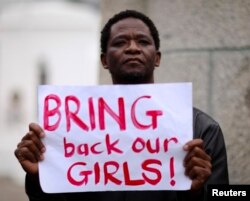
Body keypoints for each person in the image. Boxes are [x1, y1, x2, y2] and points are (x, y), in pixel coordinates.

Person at [15, 10, 229, 201]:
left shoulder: (202, 129)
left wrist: (199, 191)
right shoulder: (67, 130)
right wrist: (38, 179)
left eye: (143, 42)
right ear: (104, 60)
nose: (133, 48)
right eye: (120, 43)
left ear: (157, 57)